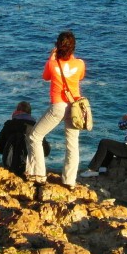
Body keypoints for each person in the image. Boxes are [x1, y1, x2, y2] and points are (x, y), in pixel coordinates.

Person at [26, 30, 85, 188]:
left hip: (59, 105)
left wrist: (52, 56)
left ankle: (39, 174)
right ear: (73, 48)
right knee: (72, 144)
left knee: (35, 137)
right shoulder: (80, 63)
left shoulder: (52, 64)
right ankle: (69, 181)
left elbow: (45, 77)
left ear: (57, 46)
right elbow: (79, 77)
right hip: (75, 107)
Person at [81, 101, 127, 177]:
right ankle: (102, 170)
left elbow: (121, 126)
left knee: (104, 143)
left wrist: (123, 119)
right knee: (110, 147)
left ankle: (92, 169)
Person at [0, 101, 50, 175]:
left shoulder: (8, 125)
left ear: (16, 111)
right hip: (29, 168)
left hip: (10, 167)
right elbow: (46, 152)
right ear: (30, 113)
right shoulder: (36, 127)